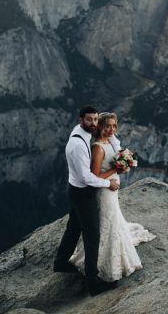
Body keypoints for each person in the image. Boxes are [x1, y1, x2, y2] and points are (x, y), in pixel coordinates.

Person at [69, 112, 155, 282]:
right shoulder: (98, 147)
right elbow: (94, 177)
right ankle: (102, 261)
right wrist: (115, 170)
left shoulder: (109, 141)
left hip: (112, 189)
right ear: (100, 126)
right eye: (107, 126)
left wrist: (124, 164)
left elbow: (117, 154)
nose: (111, 129)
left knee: (113, 219)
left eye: (114, 126)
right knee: (108, 221)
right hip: (104, 191)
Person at [53, 105, 121, 297]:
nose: (93, 123)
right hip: (82, 192)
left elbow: (111, 137)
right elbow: (86, 177)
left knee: (73, 228)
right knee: (92, 235)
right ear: (81, 119)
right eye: (89, 119)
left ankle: (60, 262)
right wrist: (108, 183)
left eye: (95, 119)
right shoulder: (78, 146)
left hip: (75, 190)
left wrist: (113, 138)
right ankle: (93, 282)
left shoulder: (82, 132)